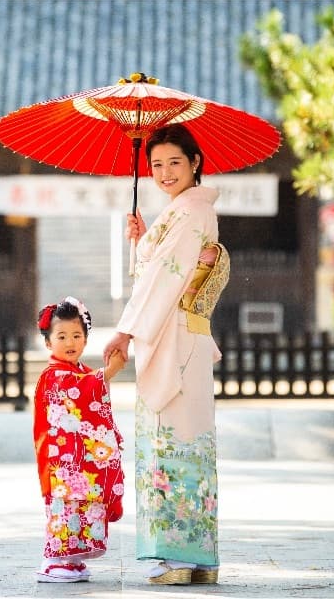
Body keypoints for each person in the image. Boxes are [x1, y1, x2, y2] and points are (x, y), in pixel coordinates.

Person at [103, 123, 230, 585]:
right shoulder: (181, 213)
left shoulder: (191, 212)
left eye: (174, 162)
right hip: (179, 334)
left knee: (171, 437)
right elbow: (159, 270)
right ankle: (201, 559)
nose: (164, 172)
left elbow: (164, 280)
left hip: (173, 335)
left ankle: (177, 558)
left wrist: (124, 331)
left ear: (195, 162)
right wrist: (142, 240)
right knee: (188, 437)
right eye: (155, 165)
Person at [33, 296, 127, 583]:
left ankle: (71, 560)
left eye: (76, 335)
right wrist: (109, 373)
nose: (70, 341)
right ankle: (54, 560)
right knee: (65, 507)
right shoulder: (55, 376)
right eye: (61, 336)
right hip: (63, 464)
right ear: (48, 343)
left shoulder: (81, 372)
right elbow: (81, 391)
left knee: (81, 507)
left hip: (80, 463)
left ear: (86, 340)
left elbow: (89, 397)